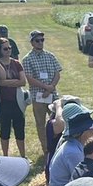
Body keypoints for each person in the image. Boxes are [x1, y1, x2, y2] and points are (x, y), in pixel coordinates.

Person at [23, 30, 62, 158]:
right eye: (37, 40)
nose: (40, 42)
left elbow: (57, 73)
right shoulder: (27, 59)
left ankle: (57, 145)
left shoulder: (50, 56)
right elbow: (29, 78)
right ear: (32, 42)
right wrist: (45, 87)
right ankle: (46, 149)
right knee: (40, 124)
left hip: (52, 95)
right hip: (38, 96)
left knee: (57, 120)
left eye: (42, 40)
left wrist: (51, 88)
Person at [47, 104, 93, 186]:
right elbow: (82, 181)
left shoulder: (74, 145)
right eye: (92, 128)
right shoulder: (73, 152)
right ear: (83, 132)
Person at [0, 39, 27, 158]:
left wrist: (5, 82)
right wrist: (13, 82)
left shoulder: (16, 63)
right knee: (5, 129)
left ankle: (23, 156)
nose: (8, 51)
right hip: (3, 102)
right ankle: (5, 156)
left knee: (20, 129)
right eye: (5, 49)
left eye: (10, 48)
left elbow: (23, 82)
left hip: (17, 101)